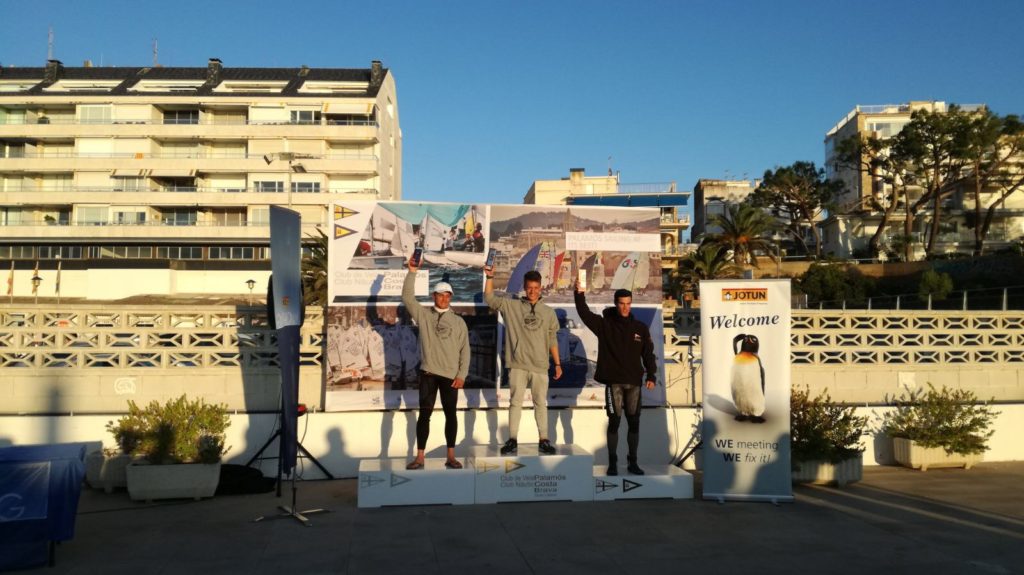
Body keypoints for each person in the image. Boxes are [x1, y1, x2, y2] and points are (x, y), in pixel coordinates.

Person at [574, 281, 657, 476]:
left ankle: (633, 463)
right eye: (621, 303)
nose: (625, 307)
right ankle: (612, 463)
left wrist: (651, 374)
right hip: (614, 383)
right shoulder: (604, 325)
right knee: (614, 422)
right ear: (615, 303)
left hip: (634, 383)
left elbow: (648, 354)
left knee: (634, 423)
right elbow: (584, 314)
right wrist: (579, 294)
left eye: (628, 303)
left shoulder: (640, 328)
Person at [484, 266, 561, 455]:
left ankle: (543, 439)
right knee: (515, 403)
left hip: (541, 366)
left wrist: (558, 364)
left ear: (541, 288)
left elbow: (552, 339)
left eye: (536, 287)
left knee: (540, 403)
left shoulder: (549, 312)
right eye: (529, 287)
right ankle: (512, 440)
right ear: (524, 288)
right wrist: (490, 277)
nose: (532, 291)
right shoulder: (512, 305)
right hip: (517, 363)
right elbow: (490, 299)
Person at [402, 260, 470, 470]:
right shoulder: (423, 315)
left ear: (451, 297)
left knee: (451, 415)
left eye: (447, 295)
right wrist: (412, 272)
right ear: (434, 296)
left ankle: (451, 456)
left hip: (451, 376)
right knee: (425, 415)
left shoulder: (458, 322)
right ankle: (420, 457)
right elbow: (407, 298)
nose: (443, 298)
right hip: (429, 373)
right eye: (439, 294)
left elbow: (465, 350)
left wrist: (462, 375)